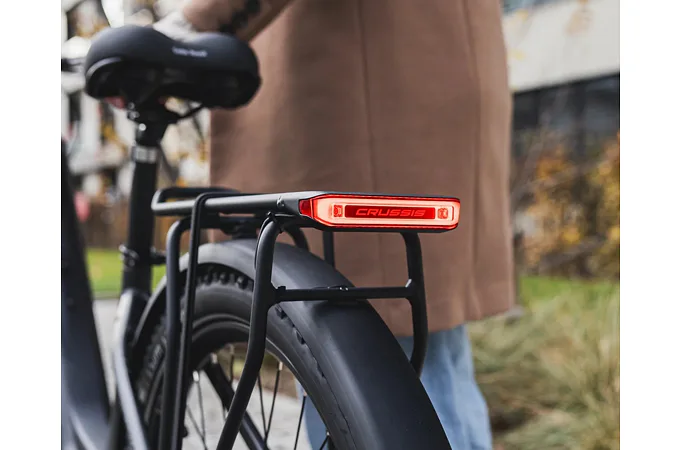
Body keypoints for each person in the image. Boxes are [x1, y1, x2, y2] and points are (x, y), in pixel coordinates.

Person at [155, 1, 514, 448]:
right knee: (426, 356)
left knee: (362, 349)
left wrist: (187, 28)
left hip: (359, 96)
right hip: (416, 79)